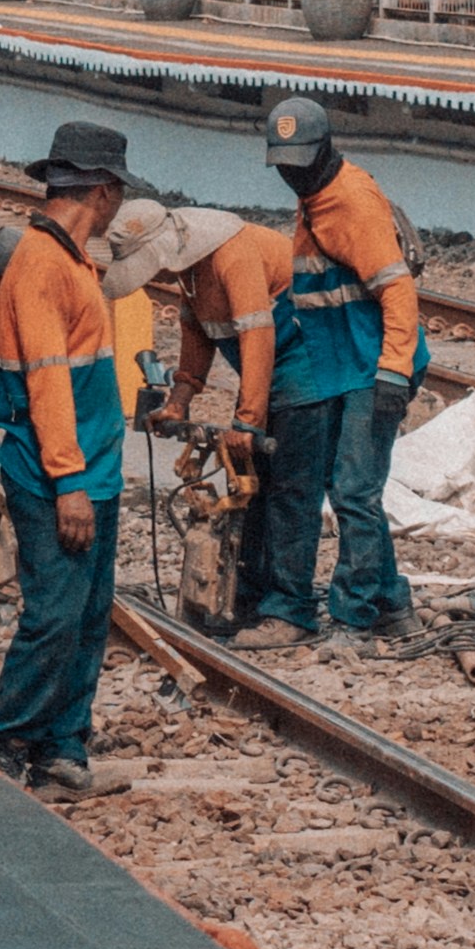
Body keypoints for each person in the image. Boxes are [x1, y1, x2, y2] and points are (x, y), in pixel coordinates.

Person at [0, 119, 150, 795]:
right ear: (101, 191)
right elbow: (47, 380)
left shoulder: (69, 259)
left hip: (91, 471)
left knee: (86, 616)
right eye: (118, 195)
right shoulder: (44, 265)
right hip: (57, 475)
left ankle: (63, 753)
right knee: (54, 617)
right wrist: (68, 480)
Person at [236, 95, 429, 652]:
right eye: (285, 163)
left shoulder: (350, 202)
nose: (292, 173)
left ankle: (354, 619)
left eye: (300, 160)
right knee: (353, 489)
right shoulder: (315, 196)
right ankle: (391, 604)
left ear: (324, 150)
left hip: (374, 368)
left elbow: (397, 289)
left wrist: (393, 374)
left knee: (353, 491)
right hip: (346, 366)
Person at [105, 198, 300, 628]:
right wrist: (178, 400)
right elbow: (197, 339)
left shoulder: (233, 254)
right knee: (255, 489)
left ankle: (286, 607)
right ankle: (247, 600)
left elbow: (257, 336)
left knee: (285, 488)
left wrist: (247, 420)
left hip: (303, 364)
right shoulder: (191, 277)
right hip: (270, 370)